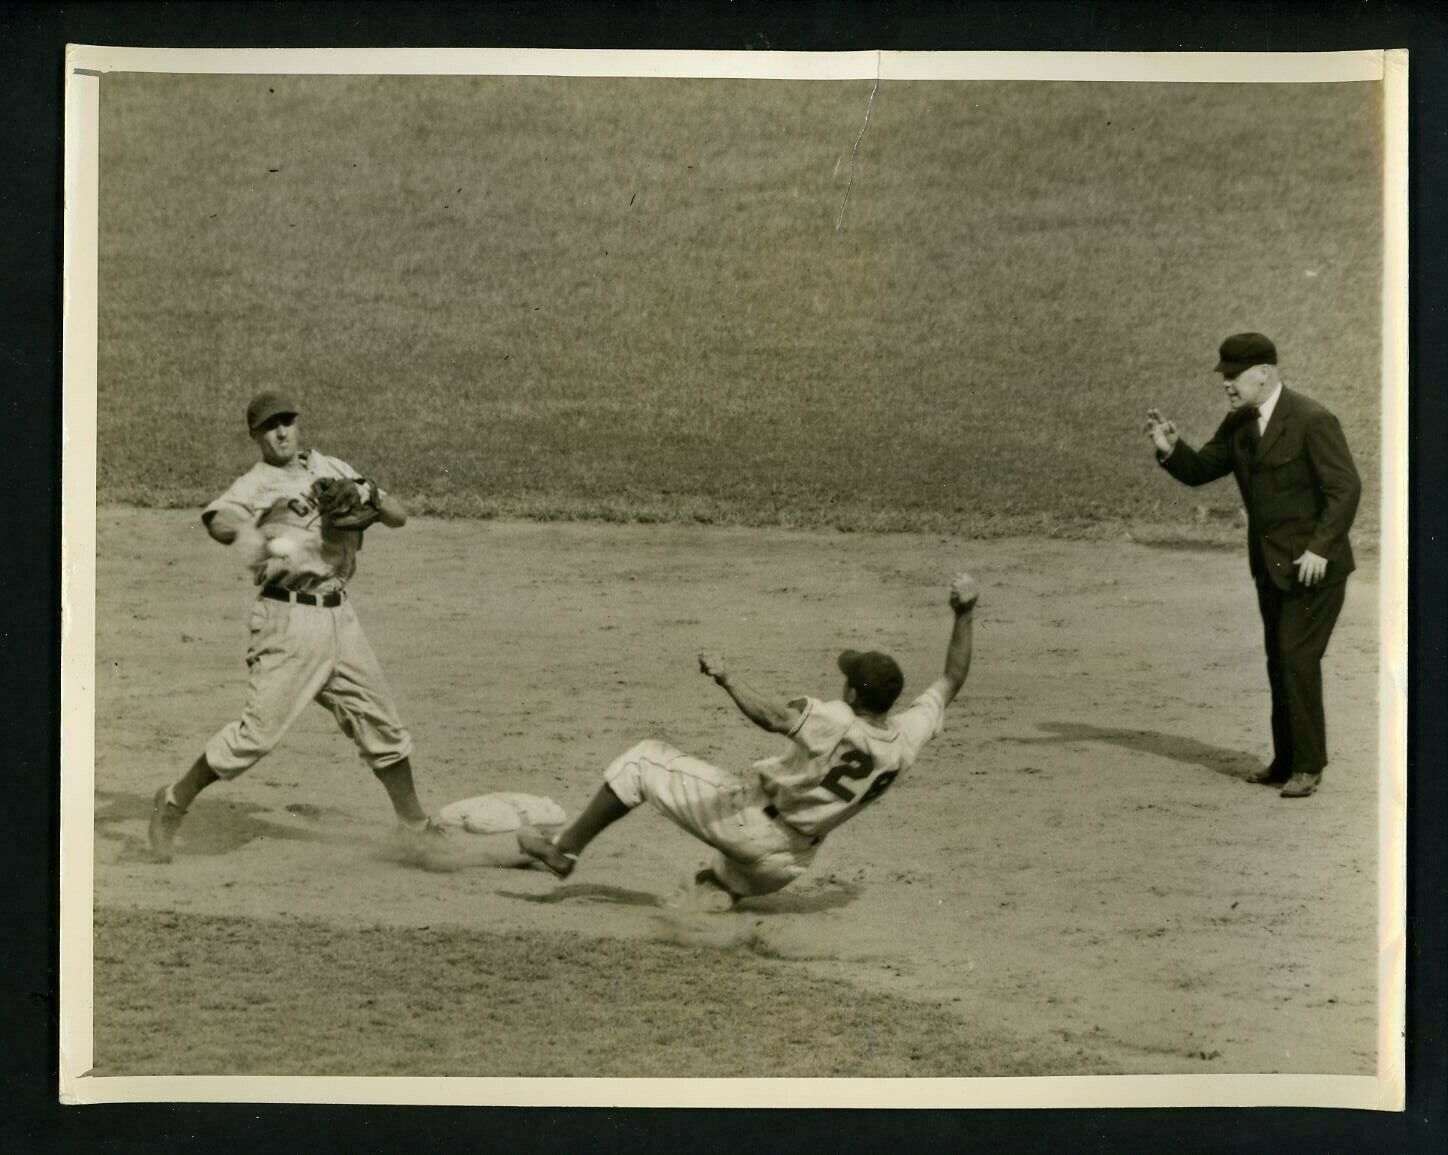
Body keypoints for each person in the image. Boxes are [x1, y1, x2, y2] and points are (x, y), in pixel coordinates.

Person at [516, 573, 979, 910]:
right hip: (790, 863)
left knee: (643, 762)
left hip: (752, 826)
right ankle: (715, 899)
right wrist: (965, 613)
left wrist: (727, 678)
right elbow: (953, 676)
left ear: (854, 693)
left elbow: (775, 718)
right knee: (710, 884)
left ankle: (564, 851)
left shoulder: (838, 720)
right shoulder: (906, 740)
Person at [147, 390, 447, 861]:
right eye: (270, 426)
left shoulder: (333, 467)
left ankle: (415, 825)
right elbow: (218, 517)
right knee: (255, 737)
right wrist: (245, 532)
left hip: (340, 619)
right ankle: (173, 800)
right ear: (255, 436)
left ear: (298, 424)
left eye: (287, 421)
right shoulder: (257, 483)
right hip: (287, 623)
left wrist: (368, 492)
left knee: (382, 726)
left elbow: (399, 515)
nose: (282, 432)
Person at [1145, 332, 1361, 798]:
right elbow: (1202, 469)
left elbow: (1345, 490)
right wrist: (1170, 449)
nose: (1226, 383)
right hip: (1271, 568)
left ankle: (1307, 765)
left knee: (1297, 659)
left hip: (1315, 570)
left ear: (1264, 372)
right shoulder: (1239, 425)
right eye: (1223, 375)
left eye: (1233, 374)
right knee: (1279, 662)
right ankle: (1285, 761)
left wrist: (1320, 548)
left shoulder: (1312, 420)